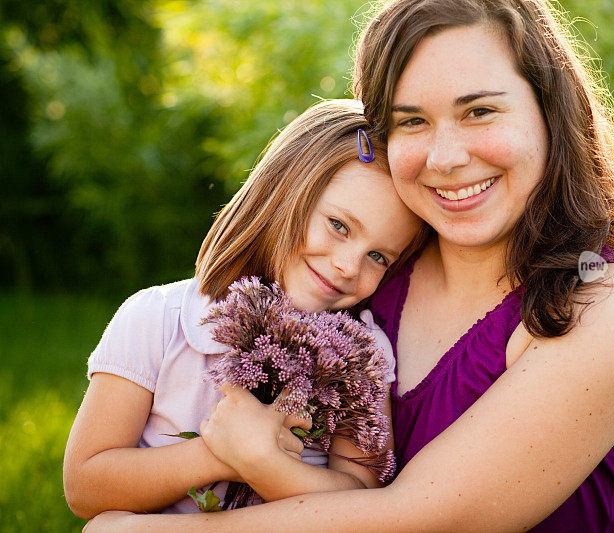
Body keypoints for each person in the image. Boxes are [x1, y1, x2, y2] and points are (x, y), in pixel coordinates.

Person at [85, 0, 614, 530]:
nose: (446, 158)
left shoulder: (607, 309)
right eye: (411, 121)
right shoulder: (367, 280)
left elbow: (420, 518)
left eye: (479, 112)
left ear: (551, 112)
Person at [63, 99, 425, 518]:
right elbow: (85, 487)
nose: (348, 266)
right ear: (284, 191)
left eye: (379, 257)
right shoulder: (157, 319)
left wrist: (264, 462)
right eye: (338, 225)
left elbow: (363, 500)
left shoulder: (361, 356)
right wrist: (218, 454)